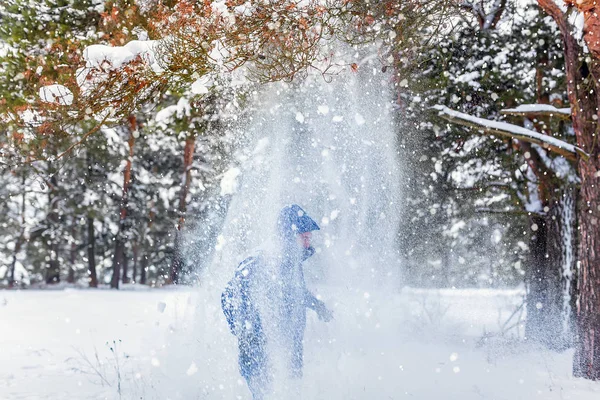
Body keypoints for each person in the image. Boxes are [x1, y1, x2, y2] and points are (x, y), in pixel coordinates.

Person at [221, 204, 333, 399]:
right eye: (304, 236)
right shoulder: (261, 260)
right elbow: (228, 295)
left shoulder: (290, 261)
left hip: (286, 346)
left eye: (309, 236)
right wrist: (246, 330)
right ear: (288, 235)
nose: (309, 241)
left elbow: (294, 292)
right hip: (260, 349)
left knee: (287, 390)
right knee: (263, 392)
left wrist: (317, 306)